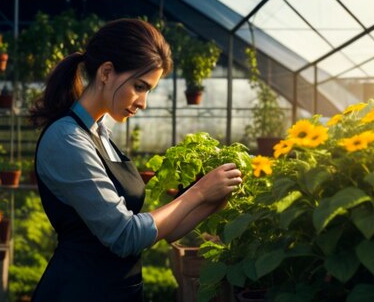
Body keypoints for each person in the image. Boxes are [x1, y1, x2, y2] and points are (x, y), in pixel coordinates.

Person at [29, 18, 242, 302]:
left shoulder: (101, 132)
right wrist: (198, 192)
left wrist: (211, 200)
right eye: (140, 86)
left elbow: (163, 231)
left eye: (148, 91)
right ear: (106, 72)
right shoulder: (67, 139)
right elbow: (125, 235)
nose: (143, 102)